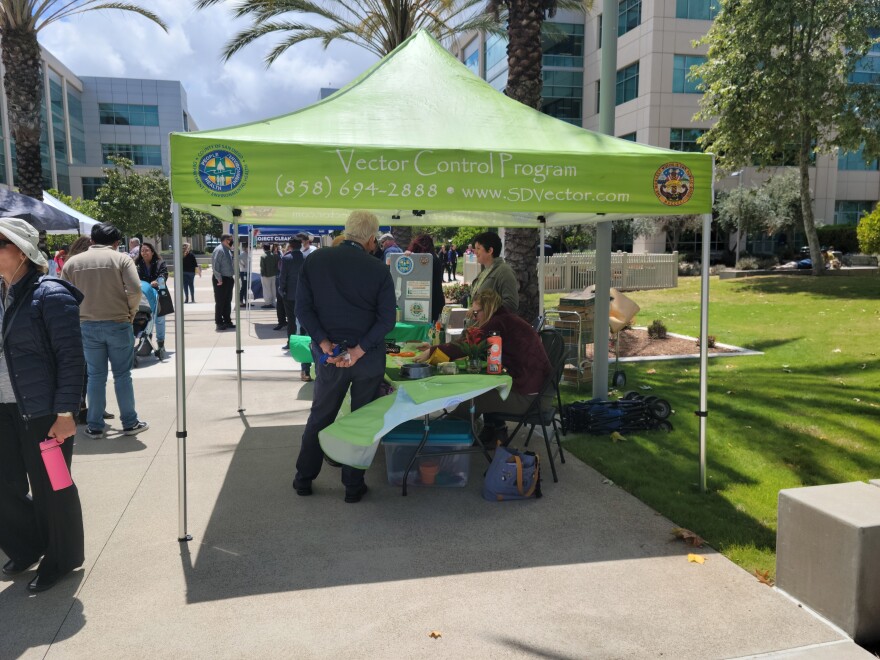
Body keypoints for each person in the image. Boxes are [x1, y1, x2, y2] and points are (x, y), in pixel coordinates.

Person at [0, 218, 86, 594]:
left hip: (45, 413)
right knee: (4, 486)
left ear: (21, 251)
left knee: (54, 487)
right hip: (4, 410)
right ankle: (26, 545)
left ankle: (62, 558)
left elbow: (72, 357)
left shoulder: (51, 294)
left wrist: (68, 411)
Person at [293, 210, 395, 503]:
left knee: (320, 416)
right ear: (371, 238)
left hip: (330, 357)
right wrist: (359, 351)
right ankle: (353, 485)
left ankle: (303, 478)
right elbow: (386, 320)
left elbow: (303, 309)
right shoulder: (378, 269)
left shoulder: (315, 261)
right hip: (368, 358)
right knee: (362, 420)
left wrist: (326, 345)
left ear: (347, 231)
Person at [414, 289, 549, 446]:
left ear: (488, 308)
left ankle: (443, 436)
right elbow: (469, 341)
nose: (474, 316)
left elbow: (466, 345)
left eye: (476, 312)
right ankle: (488, 431)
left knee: (473, 399)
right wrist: (435, 347)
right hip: (537, 391)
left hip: (531, 398)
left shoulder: (497, 323)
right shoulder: (506, 320)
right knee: (482, 391)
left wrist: (433, 351)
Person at [61, 223, 149, 439]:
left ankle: (95, 425)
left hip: (86, 325)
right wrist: (130, 311)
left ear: (92, 240)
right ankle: (129, 422)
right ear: (117, 243)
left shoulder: (72, 262)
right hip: (118, 321)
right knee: (122, 375)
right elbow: (136, 289)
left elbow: (62, 294)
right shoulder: (121, 259)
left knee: (95, 376)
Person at [279, 238, 312, 381]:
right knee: (304, 324)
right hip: (304, 296)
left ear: (291, 246)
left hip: (290, 295)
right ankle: (305, 368)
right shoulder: (306, 258)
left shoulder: (286, 259)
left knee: (290, 320)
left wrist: (282, 291)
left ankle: (290, 341)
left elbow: (283, 277)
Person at [134, 242, 169, 359]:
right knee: (146, 319)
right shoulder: (137, 264)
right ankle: (146, 343)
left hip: (158, 293)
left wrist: (158, 281)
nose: (144, 253)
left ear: (152, 252)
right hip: (143, 295)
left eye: (147, 250)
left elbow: (164, 275)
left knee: (159, 320)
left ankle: (161, 344)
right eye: (142, 250)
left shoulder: (160, 263)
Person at [469, 231, 519, 313]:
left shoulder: (504, 271)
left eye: (478, 248)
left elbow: (511, 304)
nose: (475, 252)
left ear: (490, 251)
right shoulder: (484, 272)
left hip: (493, 325)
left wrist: (482, 309)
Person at [407, 233, 444, 323]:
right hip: (437, 300)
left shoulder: (424, 261)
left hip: (422, 302)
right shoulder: (435, 259)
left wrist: (409, 258)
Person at [211, 234, 235, 331]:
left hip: (228, 279)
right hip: (221, 280)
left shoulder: (228, 250)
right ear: (226, 240)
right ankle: (219, 322)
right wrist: (219, 279)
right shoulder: (219, 250)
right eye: (231, 240)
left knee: (227, 301)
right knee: (220, 302)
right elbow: (215, 265)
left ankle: (227, 320)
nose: (232, 241)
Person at [259, 244, 278, 309]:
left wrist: (263, 274)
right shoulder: (274, 255)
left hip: (265, 275)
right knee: (273, 288)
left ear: (264, 248)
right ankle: (273, 302)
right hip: (273, 274)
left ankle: (268, 303)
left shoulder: (263, 256)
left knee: (266, 289)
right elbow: (276, 265)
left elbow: (262, 267)